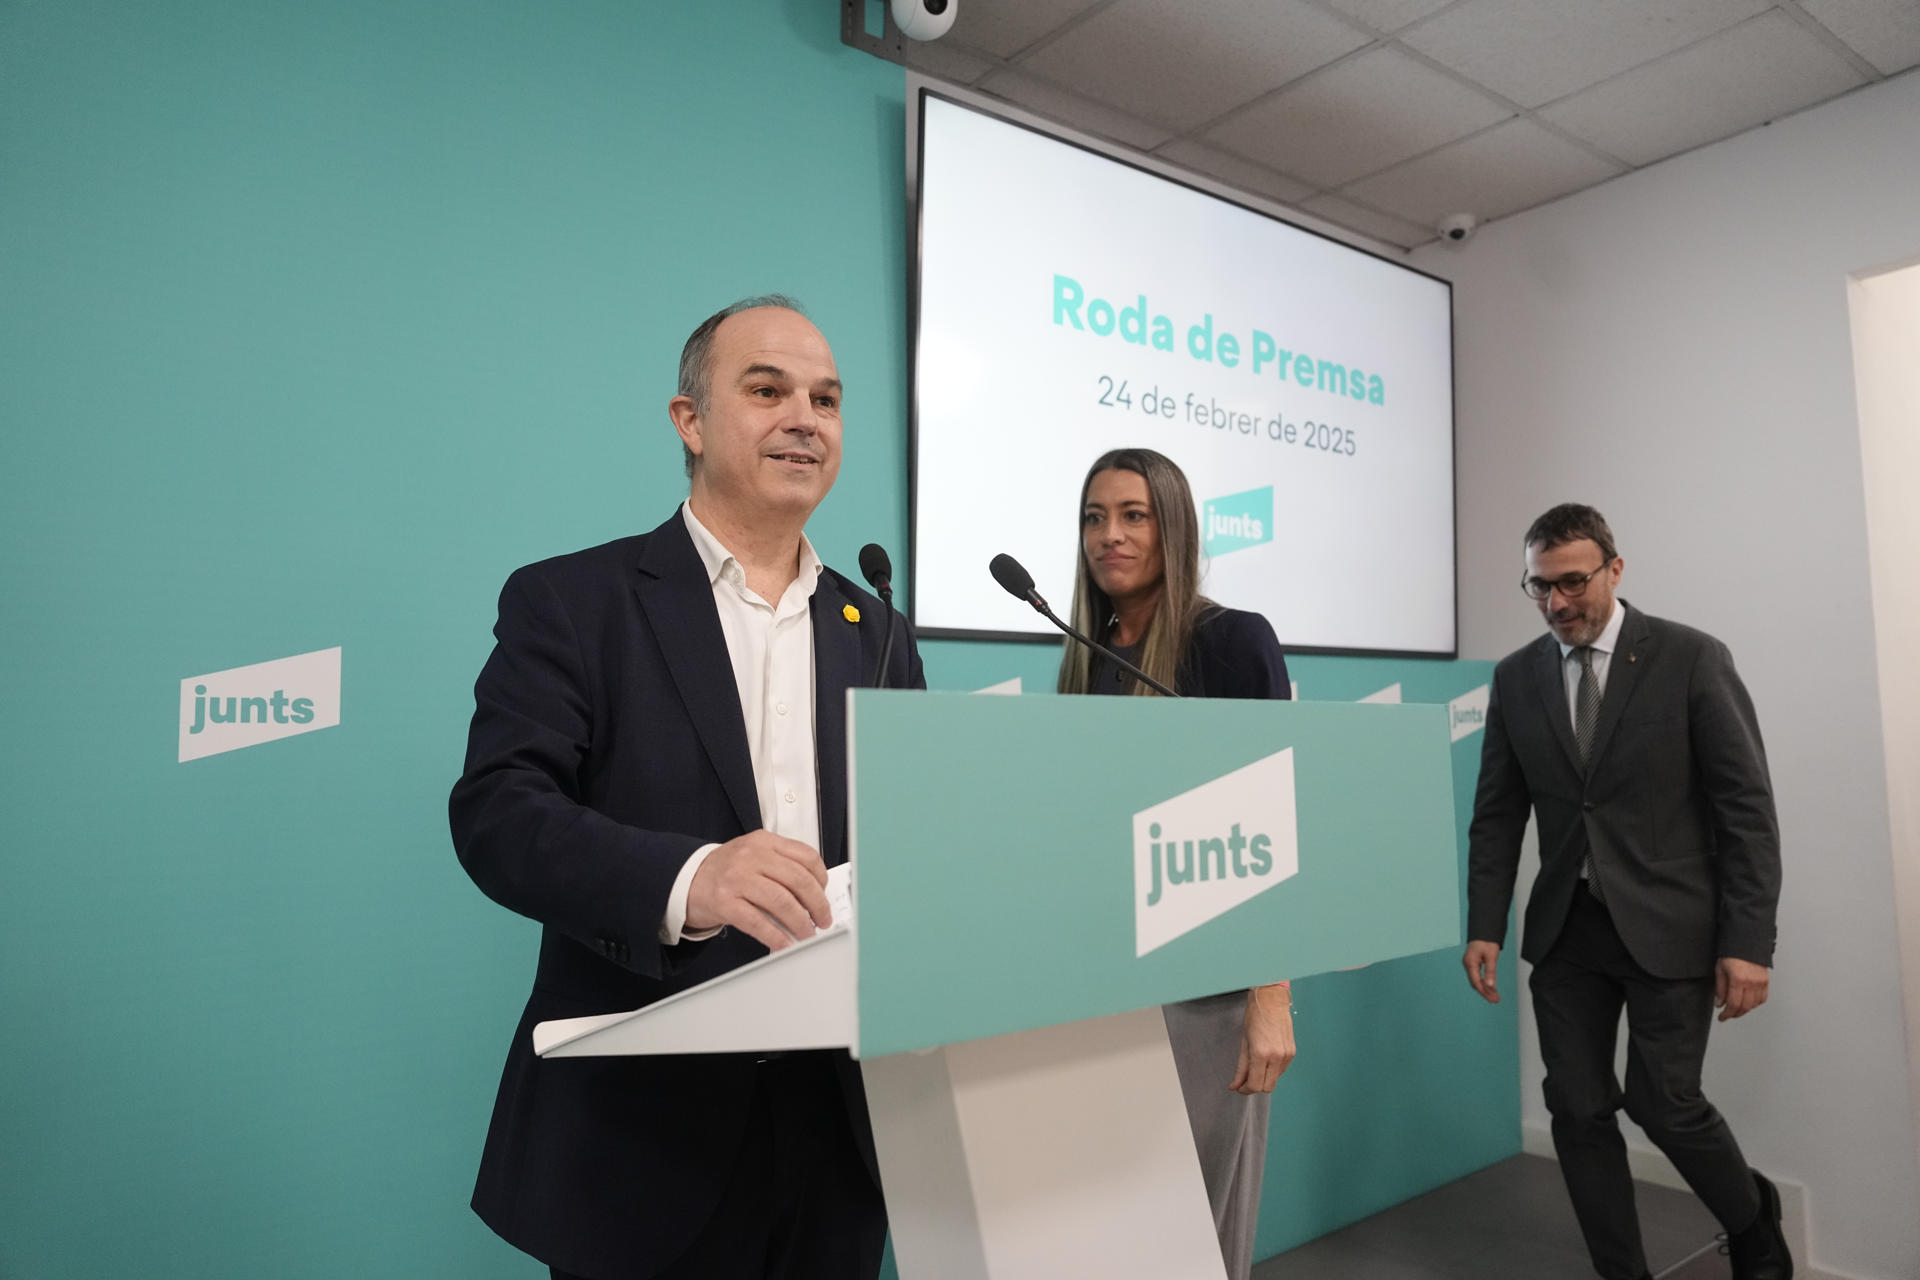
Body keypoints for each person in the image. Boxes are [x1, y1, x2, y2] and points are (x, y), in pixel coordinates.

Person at [449, 296, 923, 1280]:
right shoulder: (575, 601)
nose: (805, 416)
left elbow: (913, 842)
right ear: (690, 420)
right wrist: (690, 877)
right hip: (642, 1143)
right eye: (768, 389)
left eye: (827, 398)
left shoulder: (876, 629)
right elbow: (499, 811)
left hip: (841, 1138)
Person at [1462, 503, 1790, 1280]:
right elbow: (1498, 812)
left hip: (1671, 925)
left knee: (1664, 1103)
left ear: (1615, 568)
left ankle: (1752, 1221)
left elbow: (1747, 811)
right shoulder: (1516, 676)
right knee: (1576, 1109)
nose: (1557, 603)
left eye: (1573, 582)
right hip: (1567, 931)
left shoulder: (1690, 658)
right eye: (1539, 588)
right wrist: (1485, 923)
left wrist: (1748, 942)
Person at [1055, 446, 1296, 1280]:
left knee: (1195, 1236)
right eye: (1094, 517)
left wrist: (1270, 998)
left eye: (1132, 515)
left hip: (1208, 991)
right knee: (1116, 1229)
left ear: (1176, 526)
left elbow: (1273, 823)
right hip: (1107, 982)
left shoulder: (1232, 642)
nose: (1108, 535)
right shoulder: (1087, 651)